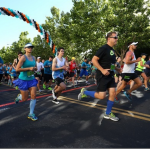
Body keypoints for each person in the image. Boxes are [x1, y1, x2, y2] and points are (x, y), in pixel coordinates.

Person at [78, 31, 121, 121]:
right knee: (102, 96)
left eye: (117, 37)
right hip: (102, 75)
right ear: (109, 39)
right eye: (115, 37)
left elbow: (111, 64)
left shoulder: (112, 50)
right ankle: (84, 92)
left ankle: (108, 113)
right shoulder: (104, 48)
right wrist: (102, 70)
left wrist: (117, 69)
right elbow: (94, 60)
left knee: (112, 93)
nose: (117, 39)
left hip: (111, 75)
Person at [13, 43, 38, 121]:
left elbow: (35, 67)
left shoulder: (34, 57)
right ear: (25, 49)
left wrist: (35, 69)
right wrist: (28, 69)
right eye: (28, 47)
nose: (30, 48)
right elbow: (17, 69)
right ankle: (19, 97)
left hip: (32, 79)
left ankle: (31, 114)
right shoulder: (23, 57)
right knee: (25, 99)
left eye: (31, 47)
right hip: (23, 80)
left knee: (33, 95)